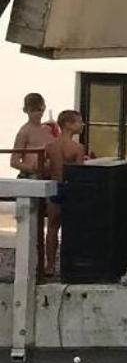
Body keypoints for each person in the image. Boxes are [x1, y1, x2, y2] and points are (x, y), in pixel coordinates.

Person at [10, 94, 57, 268]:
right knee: (33, 224)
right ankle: (31, 264)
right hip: (31, 178)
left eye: (40, 109)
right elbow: (15, 161)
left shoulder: (46, 131)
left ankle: (47, 263)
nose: (38, 113)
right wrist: (33, 169)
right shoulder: (24, 132)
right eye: (34, 110)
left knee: (51, 221)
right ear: (26, 111)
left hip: (47, 177)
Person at [43, 111, 90, 281]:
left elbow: (44, 167)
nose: (82, 125)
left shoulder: (50, 146)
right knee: (71, 229)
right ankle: (68, 264)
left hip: (54, 187)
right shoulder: (77, 148)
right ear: (69, 124)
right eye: (79, 122)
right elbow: (79, 172)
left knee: (52, 227)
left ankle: (49, 266)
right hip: (70, 188)